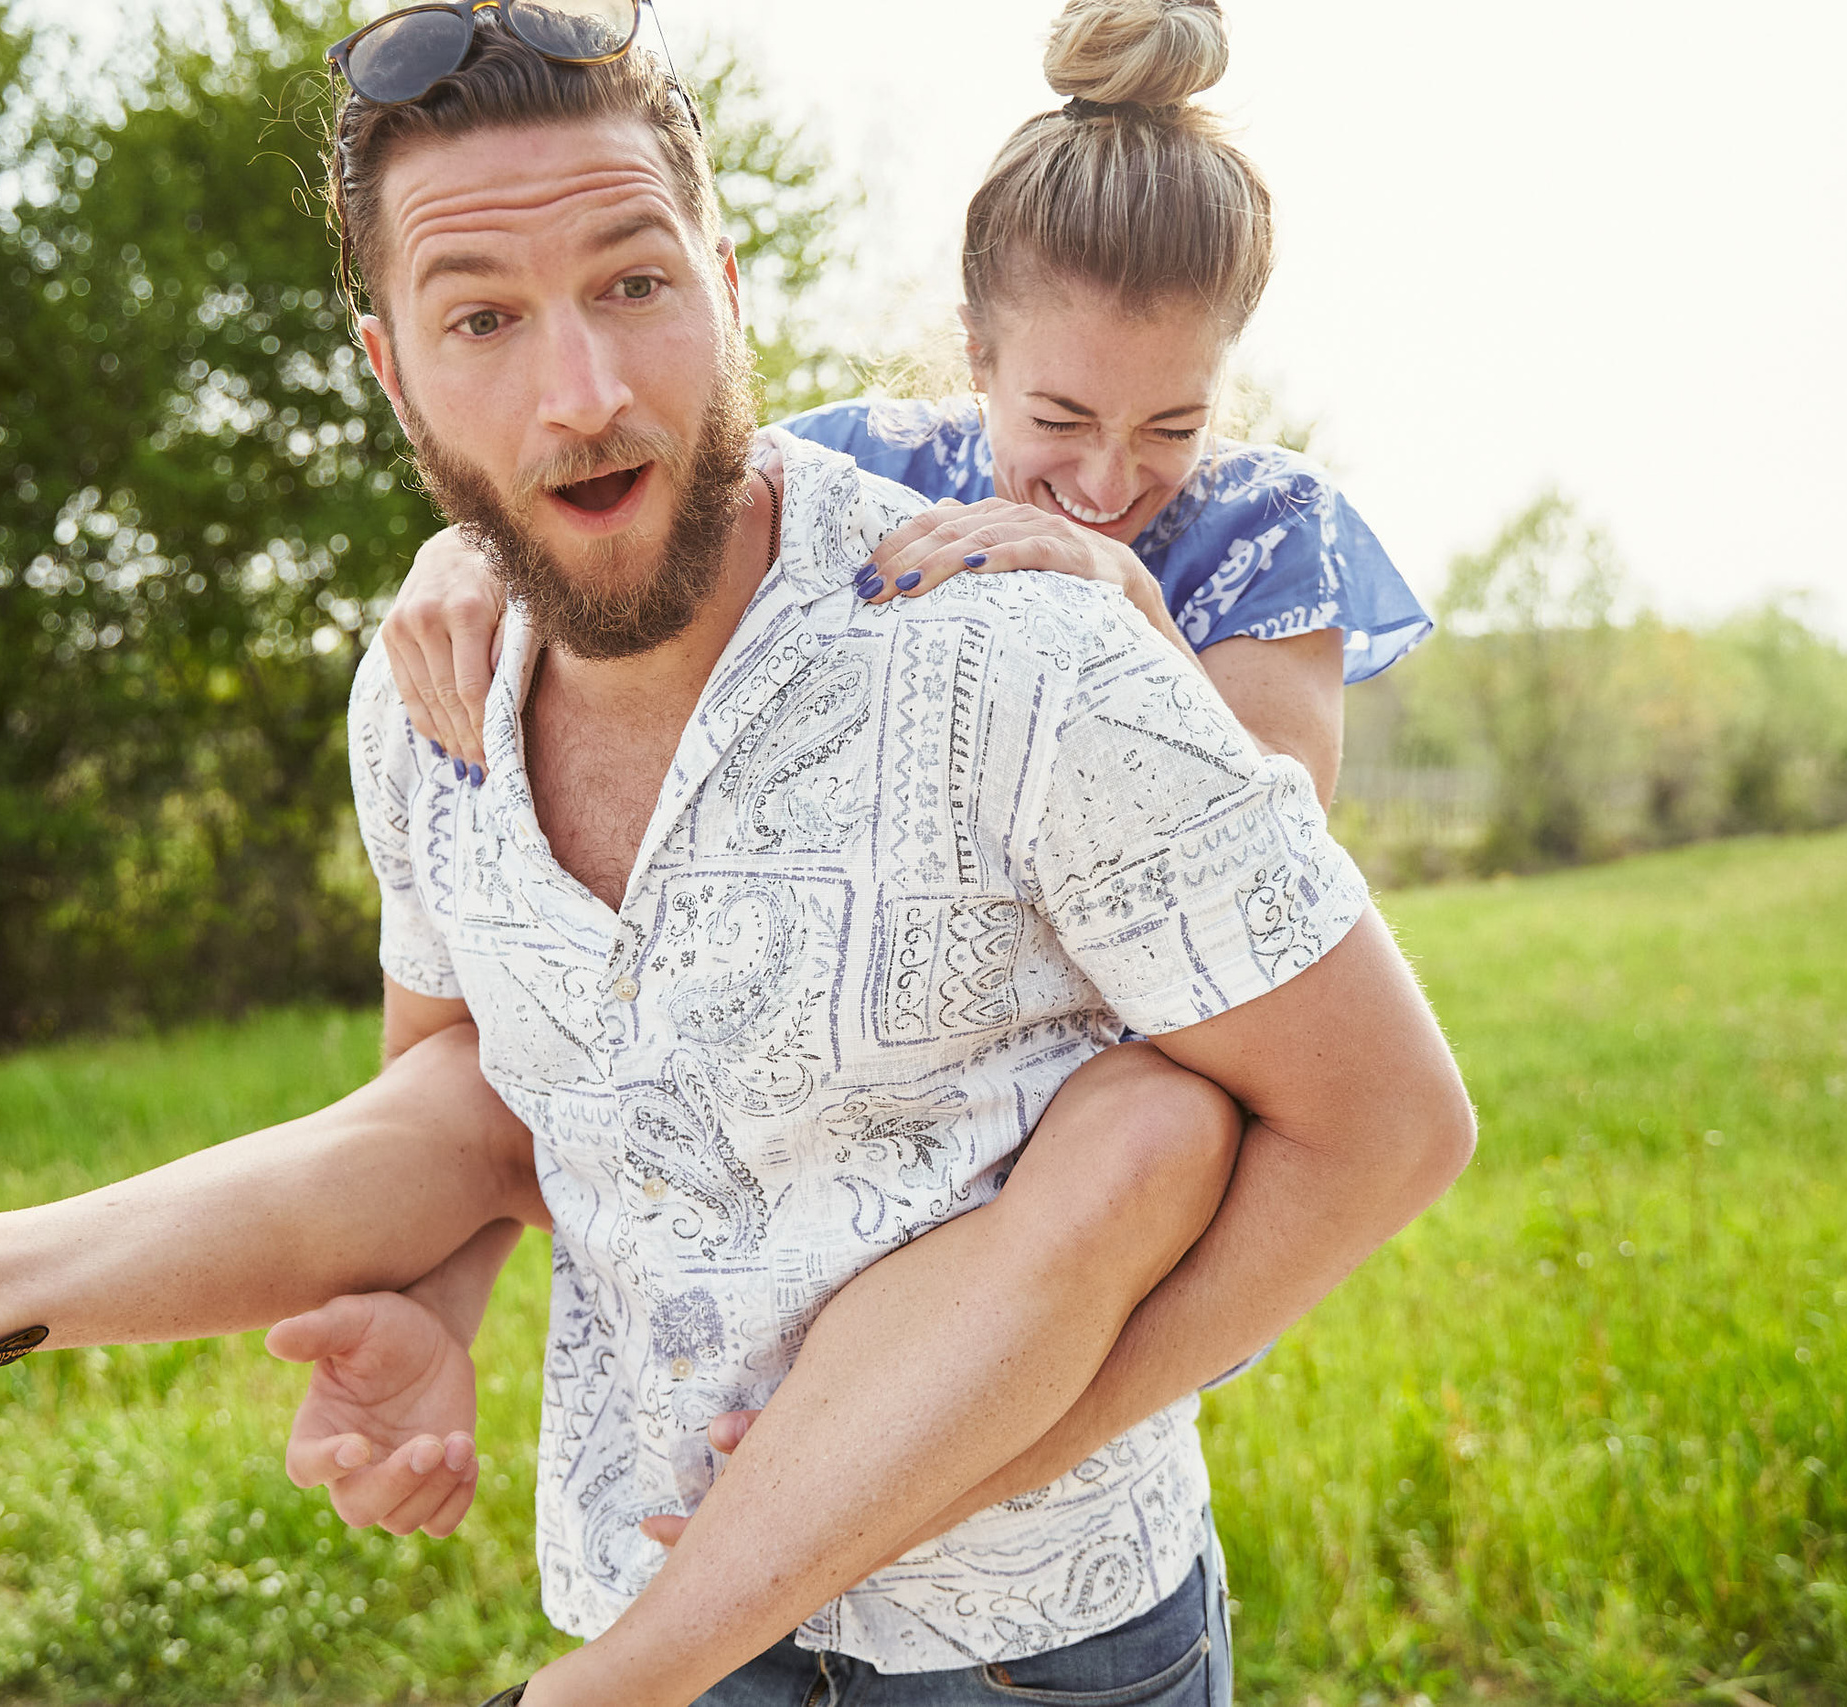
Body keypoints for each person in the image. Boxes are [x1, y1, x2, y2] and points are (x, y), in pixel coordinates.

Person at [0, 5, 1476, 1704]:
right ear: (392, 370)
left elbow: (1386, 1124)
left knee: (1144, 1131)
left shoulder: (1038, 644)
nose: (580, 392)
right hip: (640, 1601)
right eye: (482, 316)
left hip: (1030, 1651)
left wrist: (1010, 1450)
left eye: (635, 286)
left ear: (730, 286)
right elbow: (465, 1101)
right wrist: (435, 1296)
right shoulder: (424, 698)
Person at [291, 0, 1431, 1565]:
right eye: (1055, 421)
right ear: (976, 360)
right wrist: (460, 543)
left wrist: (1126, 599)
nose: (1107, 480)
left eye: (1172, 424)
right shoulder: (877, 462)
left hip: (1127, 1166)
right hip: (858, 1159)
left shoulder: (1262, 531)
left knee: (1138, 1128)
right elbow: (641, 490)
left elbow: (1263, 848)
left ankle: (915, 1464)